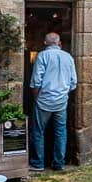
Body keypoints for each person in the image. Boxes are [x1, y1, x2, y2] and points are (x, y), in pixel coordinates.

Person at [29, 32, 77, 171]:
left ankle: (38, 163)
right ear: (59, 43)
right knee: (61, 132)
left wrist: (36, 97)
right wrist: (63, 93)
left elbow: (36, 80)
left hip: (44, 100)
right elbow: (73, 83)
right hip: (62, 101)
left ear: (45, 43)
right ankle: (59, 163)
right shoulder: (68, 57)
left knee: (38, 132)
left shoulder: (42, 56)